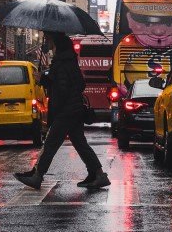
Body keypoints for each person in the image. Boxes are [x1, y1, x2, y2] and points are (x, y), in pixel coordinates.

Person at [15, 31, 109, 190]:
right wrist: (47, 80)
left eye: (51, 41)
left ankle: (37, 176)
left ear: (58, 44)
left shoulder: (62, 62)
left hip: (66, 111)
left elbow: (62, 90)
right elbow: (74, 84)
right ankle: (98, 174)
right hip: (73, 110)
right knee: (80, 143)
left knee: (51, 143)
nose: (50, 45)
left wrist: (44, 81)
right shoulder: (68, 61)